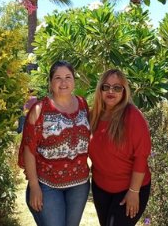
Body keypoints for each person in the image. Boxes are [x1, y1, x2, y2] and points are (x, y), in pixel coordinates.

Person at [18, 60, 91, 226]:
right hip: (47, 185)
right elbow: (29, 150)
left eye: (68, 77)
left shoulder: (83, 104)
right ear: (51, 82)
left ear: (74, 81)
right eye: (58, 78)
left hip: (79, 185)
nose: (63, 82)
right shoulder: (39, 110)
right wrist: (35, 187)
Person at [89, 68, 152, 226]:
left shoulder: (133, 117)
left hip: (130, 188)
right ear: (100, 89)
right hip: (100, 188)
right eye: (106, 86)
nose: (111, 91)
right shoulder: (92, 116)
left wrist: (133, 192)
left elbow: (141, 157)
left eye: (117, 87)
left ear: (124, 91)